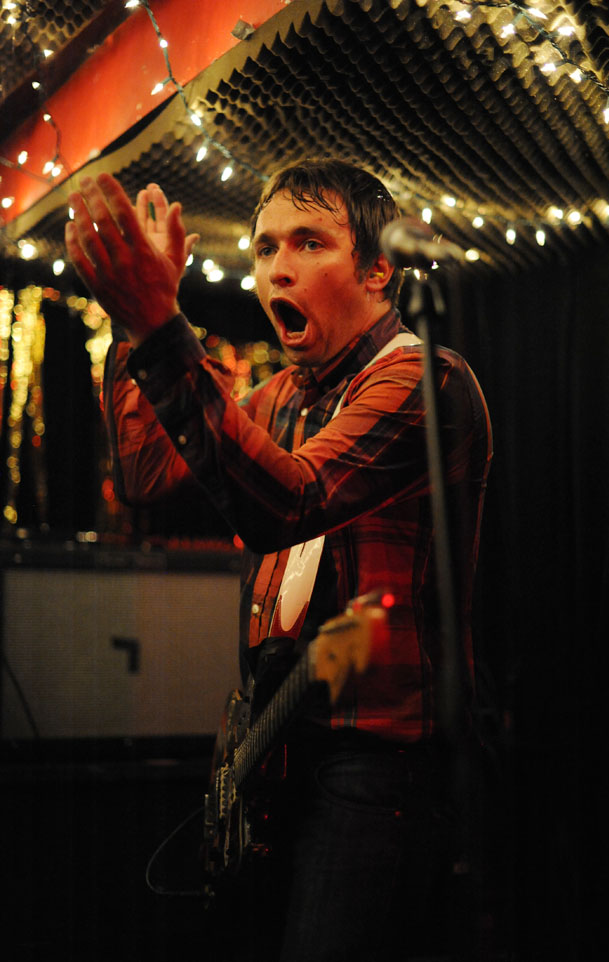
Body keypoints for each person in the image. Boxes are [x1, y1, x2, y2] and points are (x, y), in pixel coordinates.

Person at [65, 158, 492, 961]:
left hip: (378, 768)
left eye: (308, 243)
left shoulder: (424, 377)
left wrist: (162, 328)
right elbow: (145, 475)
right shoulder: (288, 395)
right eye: (264, 248)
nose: (277, 268)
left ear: (378, 271)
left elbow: (288, 503)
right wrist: (133, 326)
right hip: (286, 749)